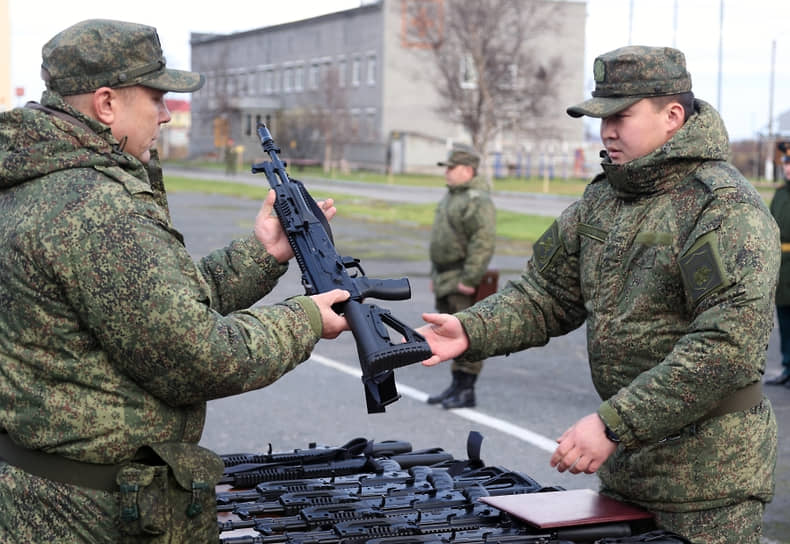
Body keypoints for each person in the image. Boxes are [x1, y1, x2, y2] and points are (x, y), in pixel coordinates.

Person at [0, 19, 349, 543]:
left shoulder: (42, 182)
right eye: (157, 97)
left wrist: (262, 254)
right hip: (95, 515)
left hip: (51, 497)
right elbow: (196, 356)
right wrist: (303, 320)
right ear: (106, 104)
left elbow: (153, 304)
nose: (166, 114)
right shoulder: (95, 208)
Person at [417, 46, 778, 544]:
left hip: (708, 486)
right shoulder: (604, 199)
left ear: (673, 116)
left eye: (621, 117)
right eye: (600, 117)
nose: (606, 130)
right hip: (628, 467)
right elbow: (546, 294)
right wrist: (472, 328)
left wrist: (612, 425)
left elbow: (725, 348)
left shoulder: (720, 208)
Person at [425, 144, 496, 409]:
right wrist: (436, 273)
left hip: (461, 276)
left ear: (467, 170)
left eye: (452, 168)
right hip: (446, 275)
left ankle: (467, 389)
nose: (448, 173)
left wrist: (470, 278)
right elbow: (440, 239)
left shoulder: (477, 200)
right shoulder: (453, 196)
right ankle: (456, 385)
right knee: (448, 332)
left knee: (467, 333)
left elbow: (483, 242)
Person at [766, 143, 790, 387]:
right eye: (787, 163)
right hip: (783, 266)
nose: (789, 168)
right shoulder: (781, 193)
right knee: (784, 320)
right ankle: (787, 366)